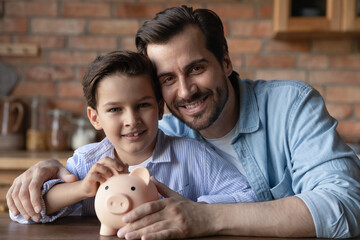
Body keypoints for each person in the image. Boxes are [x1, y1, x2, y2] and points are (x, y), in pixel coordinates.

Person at [7, 5, 360, 239]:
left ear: (224, 62)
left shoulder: (292, 105)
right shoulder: (164, 130)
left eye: (196, 68)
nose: (185, 91)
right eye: (167, 79)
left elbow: (344, 208)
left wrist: (206, 217)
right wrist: (55, 170)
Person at [9, 50, 255, 224]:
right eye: (115, 109)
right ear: (95, 118)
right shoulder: (87, 162)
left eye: (143, 105)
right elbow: (22, 214)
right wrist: (82, 189)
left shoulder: (193, 156)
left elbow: (249, 197)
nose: (131, 120)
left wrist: (196, 209)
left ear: (160, 108)